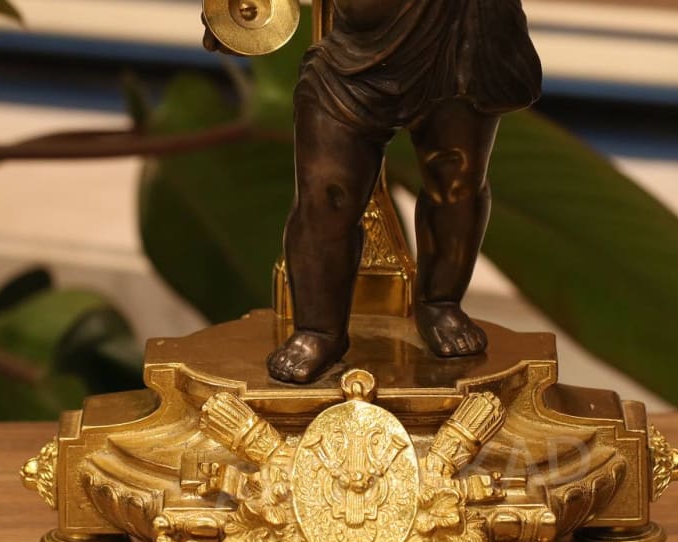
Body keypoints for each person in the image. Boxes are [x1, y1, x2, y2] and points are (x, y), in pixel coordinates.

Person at [207, 1, 542, 383]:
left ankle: (440, 302)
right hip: (351, 60)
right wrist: (237, 17)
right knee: (326, 197)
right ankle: (319, 329)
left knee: (456, 184)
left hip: (458, 47)